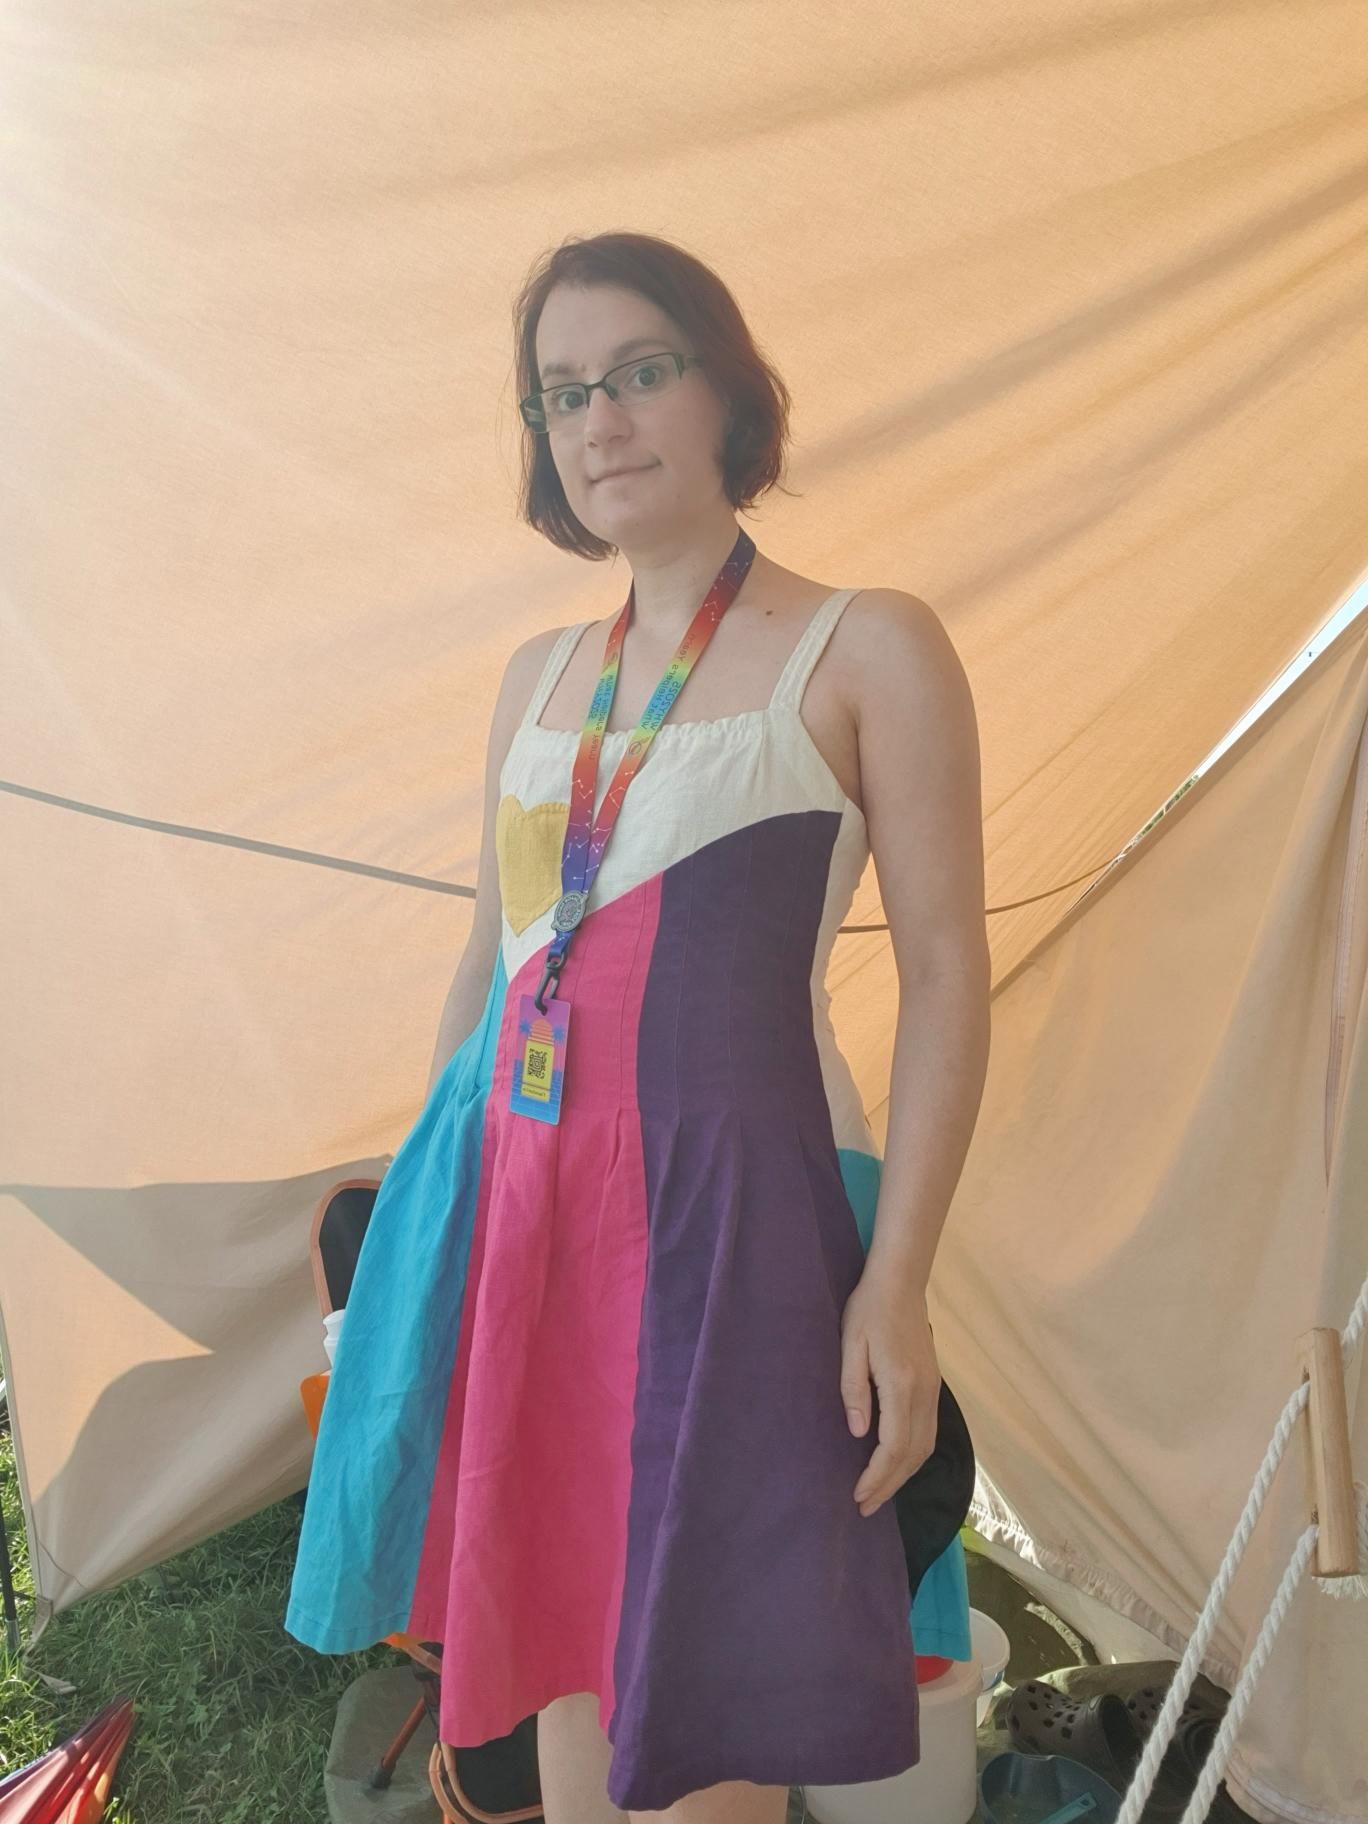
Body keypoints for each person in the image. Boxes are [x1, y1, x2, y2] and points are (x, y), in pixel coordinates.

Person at [285, 230, 991, 1824]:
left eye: (640, 372)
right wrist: (428, 1237)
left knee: (703, 1647)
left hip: (732, 1217)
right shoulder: (539, 676)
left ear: (729, 387)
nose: (598, 421)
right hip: (523, 1214)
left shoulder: (865, 642)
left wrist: (900, 1285)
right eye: (559, 395)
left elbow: (948, 974)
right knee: (552, 1634)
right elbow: (488, 961)